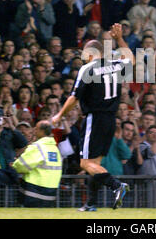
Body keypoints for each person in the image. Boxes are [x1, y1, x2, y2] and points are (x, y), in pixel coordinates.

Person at [52, 23, 134, 211]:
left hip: (94, 119)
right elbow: (132, 60)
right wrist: (119, 39)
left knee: (86, 163)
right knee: (94, 164)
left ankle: (117, 186)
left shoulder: (87, 69)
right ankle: (91, 203)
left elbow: (74, 97)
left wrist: (59, 115)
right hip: (111, 120)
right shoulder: (115, 65)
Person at [12, 120, 62, 207]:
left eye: (36, 128)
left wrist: (14, 164)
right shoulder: (55, 148)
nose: (34, 130)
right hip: (51, 192)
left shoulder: (37, 147)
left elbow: (22, 165)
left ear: (42, 131)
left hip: (34, 191)